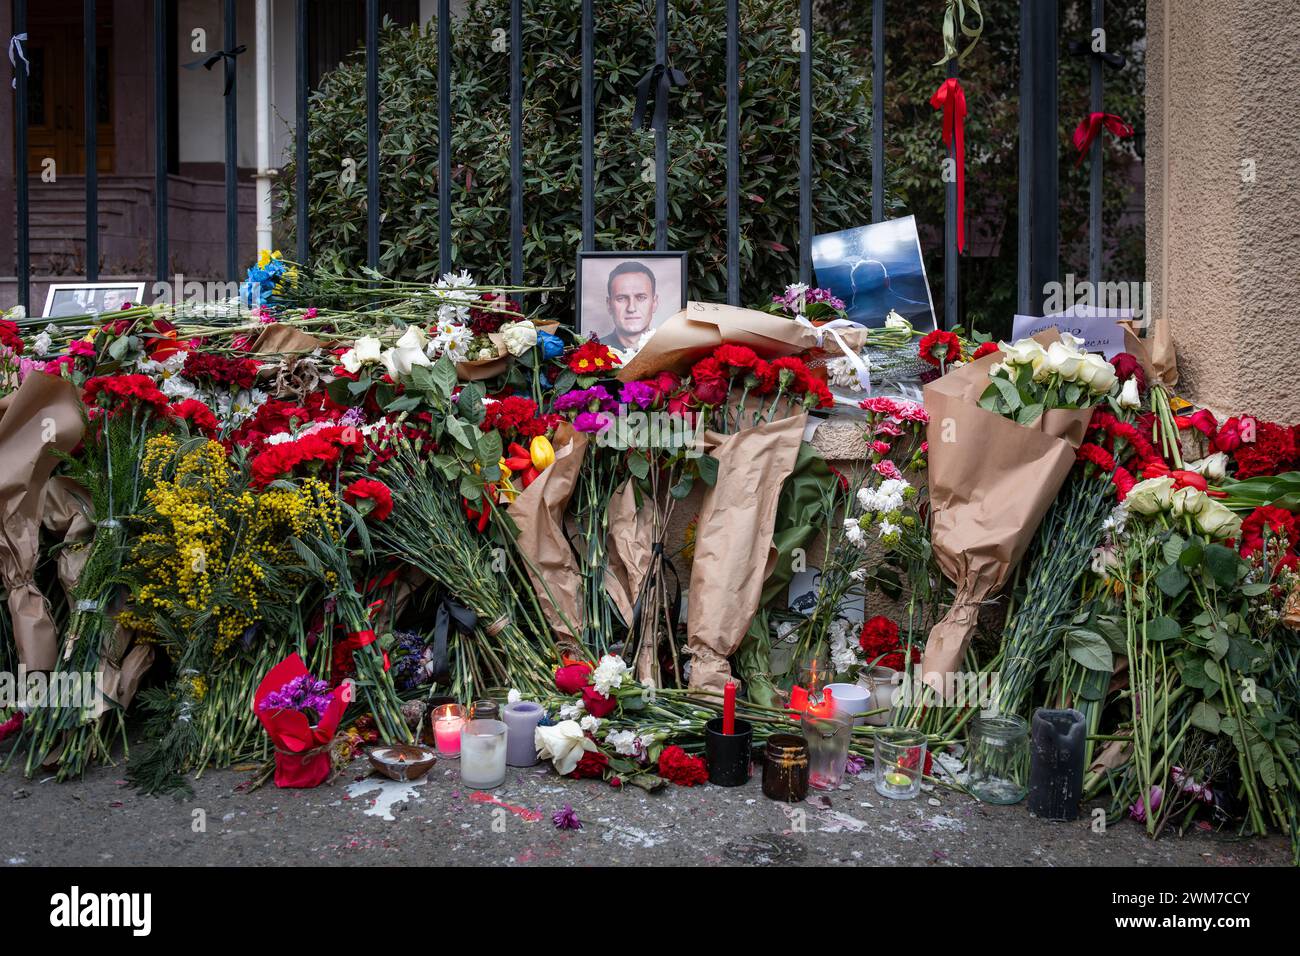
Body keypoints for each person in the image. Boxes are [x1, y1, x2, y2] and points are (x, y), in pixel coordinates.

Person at [604, 260, 661, 350]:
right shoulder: (592, 353)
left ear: (654, 303)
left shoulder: (673, 352)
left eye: (641, 297)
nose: (631, 308)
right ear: (609, 305)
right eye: (621, 298)